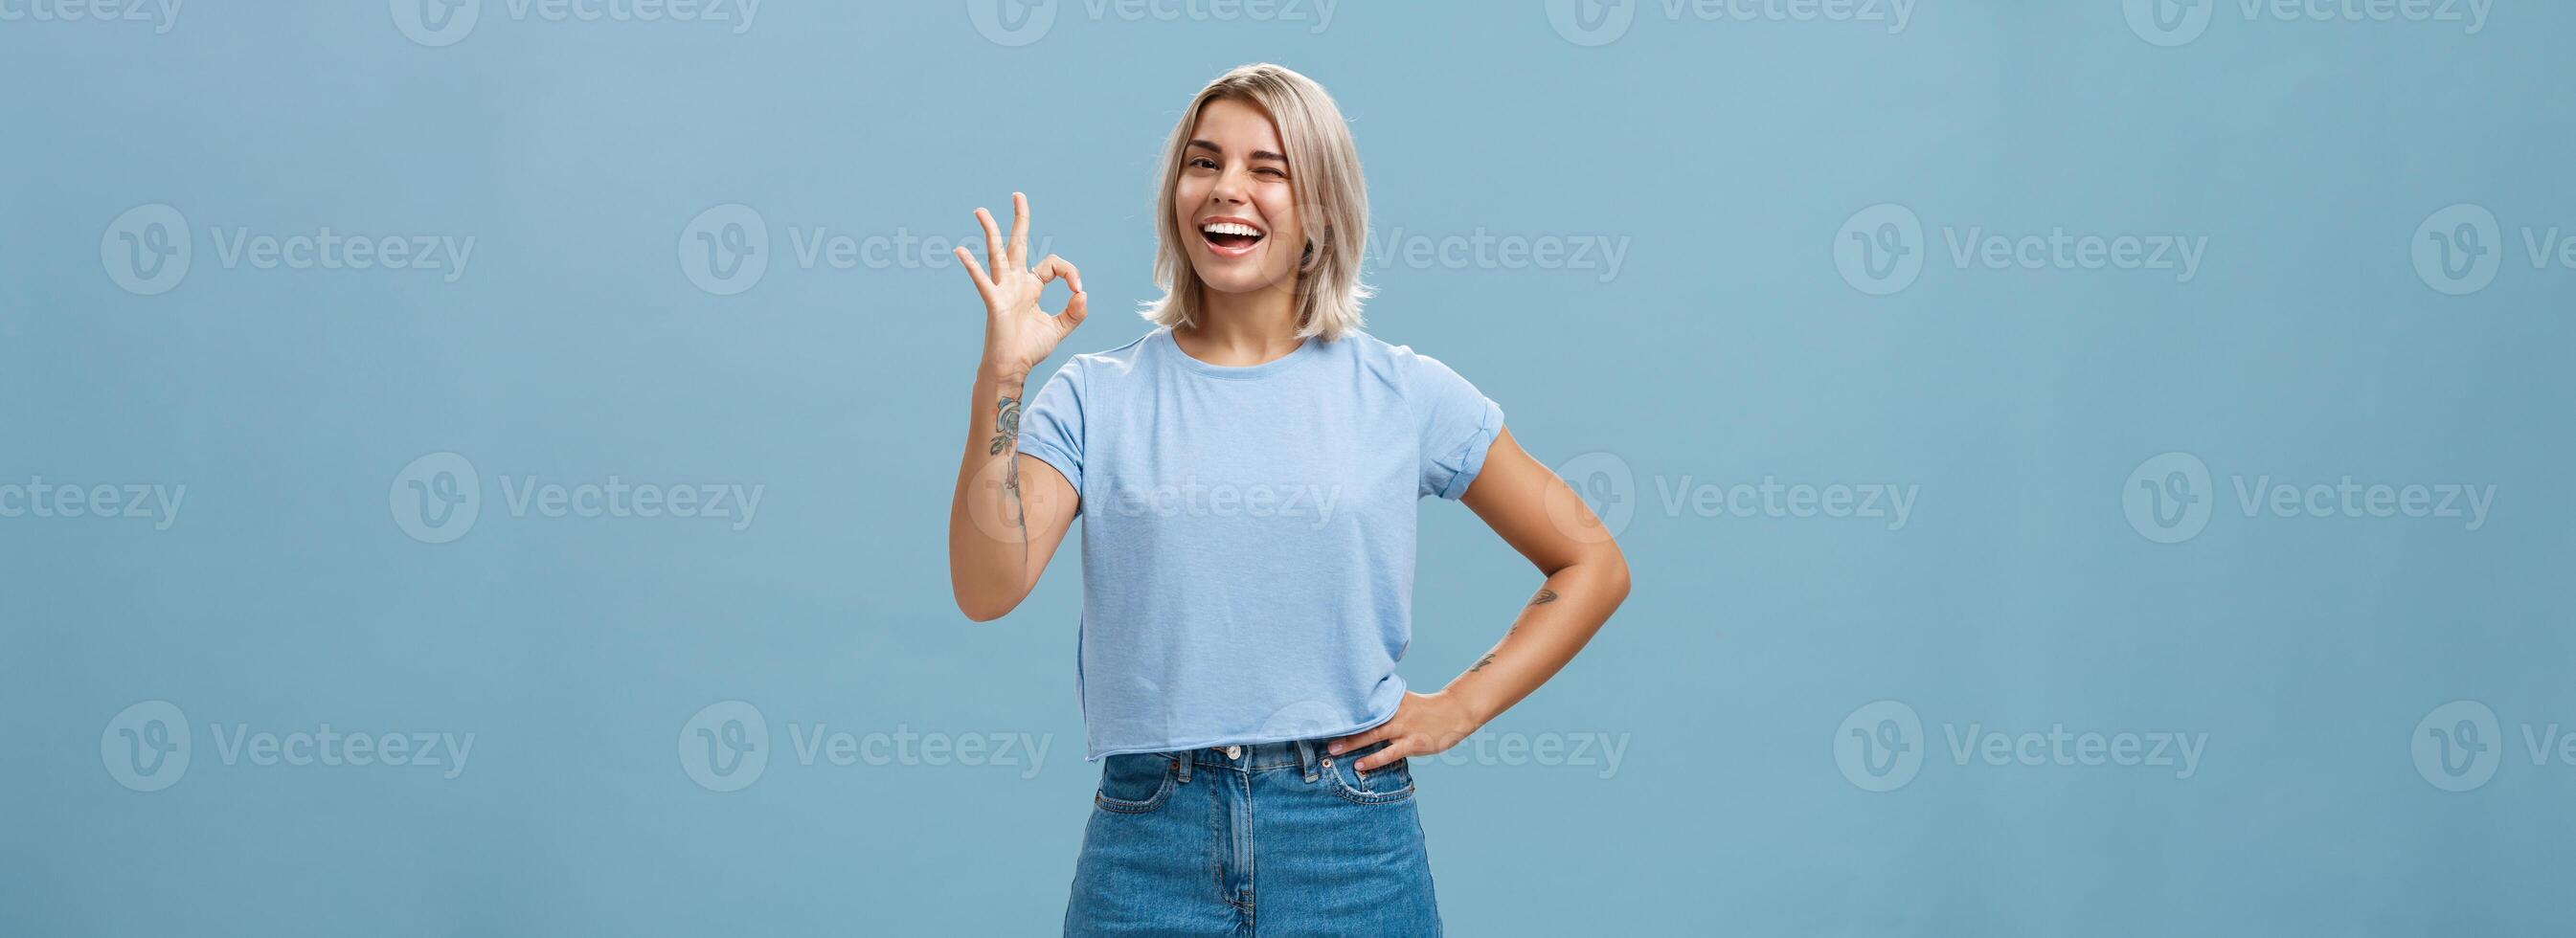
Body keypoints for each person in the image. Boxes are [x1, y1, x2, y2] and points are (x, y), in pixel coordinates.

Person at [943, 62, 1632, 936]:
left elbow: (1592, 561)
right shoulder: (1094, 396)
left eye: (1268, 169)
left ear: (1323, 210)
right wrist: (1001, 376)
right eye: (1204, 163)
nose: (1228, 190)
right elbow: (986, 587)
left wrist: (1461, 706)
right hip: (1150, 835)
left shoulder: (1402, 392)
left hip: (1348, 839)